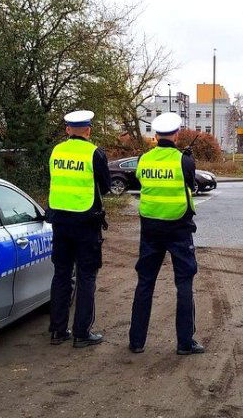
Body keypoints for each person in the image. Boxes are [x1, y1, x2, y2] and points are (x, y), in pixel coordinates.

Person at [128, 112, 205, 355]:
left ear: (156, 135)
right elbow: (191, 185)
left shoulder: (144, 159)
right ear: (177, 134)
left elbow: (142, 181)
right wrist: (187, 161)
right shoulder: (183, 160)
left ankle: (136, 341)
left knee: (145, 282)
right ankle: (185, 343)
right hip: (178, 228)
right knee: (184, 283)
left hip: (150, 228)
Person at [46, 110, 111, 348]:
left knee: (61, 275)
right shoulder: (94, 153)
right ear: (88, 130)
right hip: (86, 223)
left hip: (60, 223)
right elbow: (104, 187)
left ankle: (57, 330)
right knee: (86, 276)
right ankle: (82, 333)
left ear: (67, 130)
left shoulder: (56, 151)